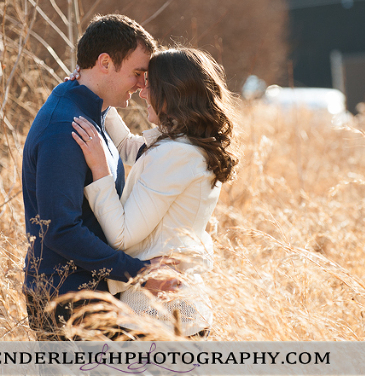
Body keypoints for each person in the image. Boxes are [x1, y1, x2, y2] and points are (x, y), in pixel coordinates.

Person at [23, 14, 175, 340]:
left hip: (92, 294)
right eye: (137, 73)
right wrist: (138, 274)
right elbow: (60, 230)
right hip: (65, 299)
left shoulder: (94, 113)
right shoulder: (64, 128)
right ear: (105, 63)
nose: (141, 84)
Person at [71, 47, 240, 337]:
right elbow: (130, 147)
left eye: (150, 84)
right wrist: (100, 98)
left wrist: (100, 169)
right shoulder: (187, 146)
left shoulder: (175, 155)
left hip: (156, 318)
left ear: (172, 94)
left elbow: (122, 234)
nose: (141, 92)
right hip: (179, 314)